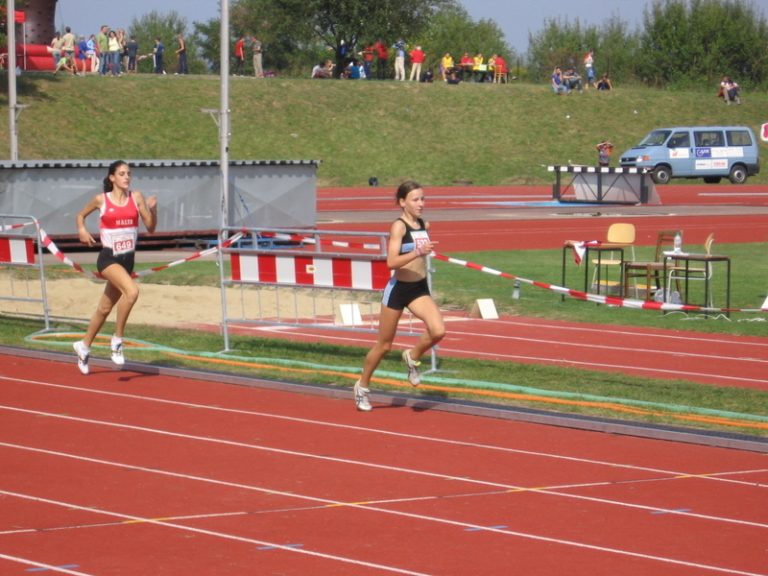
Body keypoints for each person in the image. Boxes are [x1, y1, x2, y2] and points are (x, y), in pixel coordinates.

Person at [353, 181, 445, 412]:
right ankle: (362, 386)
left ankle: (411, 356)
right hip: (398, 289)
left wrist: (420, 252)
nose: (421, 204)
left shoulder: (424, 224)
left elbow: (419, 248)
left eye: (423, 199)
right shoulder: (398, 227)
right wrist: (417, 252)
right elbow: (391, 262)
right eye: (415, 200)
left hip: (418, 288)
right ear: (402, 202)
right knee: (383, 346)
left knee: (438, 331)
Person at [72, 161, 157, 375]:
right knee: (132, 292)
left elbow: (151, 227)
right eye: (122, 174)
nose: (127, 177)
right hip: (108, 259)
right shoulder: (102, 200)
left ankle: (83, 345)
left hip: (127, 260)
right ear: (112, 178)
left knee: (104, 309)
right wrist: (82, 229)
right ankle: (117, 340)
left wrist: (153, 209)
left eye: (129, 173)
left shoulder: (135, 197)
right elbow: (80, 215)